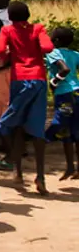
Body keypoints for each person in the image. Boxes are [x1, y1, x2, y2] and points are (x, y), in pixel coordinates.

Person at [45, 27, 79, 179]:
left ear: (56, 41)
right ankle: (73, 168)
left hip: (64, 94)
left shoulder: (54, 53)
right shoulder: (75, 54)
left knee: (60, 124)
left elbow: (64, 69)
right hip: (77, 92)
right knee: (74, 131)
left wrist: (54, 82)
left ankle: (46, 138)